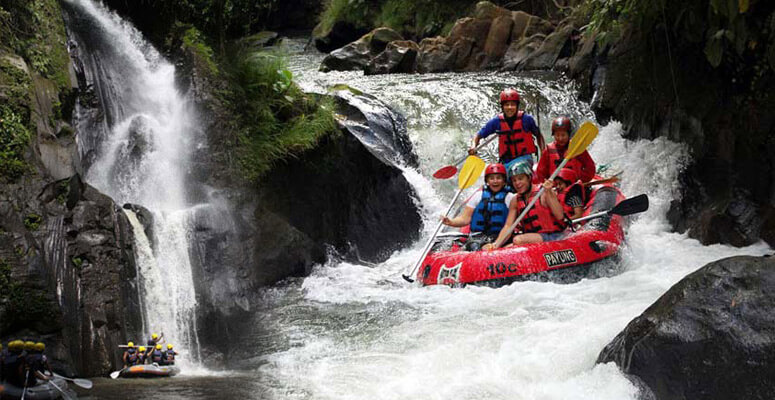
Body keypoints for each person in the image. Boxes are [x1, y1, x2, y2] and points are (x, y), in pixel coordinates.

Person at [487, 159, 566, 248]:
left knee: (518, 240)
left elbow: (560, 215)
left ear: (529, 178)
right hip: (533, 239)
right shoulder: (515, 200)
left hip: (555, 236)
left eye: (520, 178)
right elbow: (508, 226)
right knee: (505, 248)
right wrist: (496, 244)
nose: (517, 183)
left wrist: (549, 192)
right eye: (514, 180)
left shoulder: (543, 192)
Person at [440, 163, 514, 250]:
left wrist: (496, 244)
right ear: (487, 181)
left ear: (504, 181)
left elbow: (510, 225)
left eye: (498, 178)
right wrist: (451, 222)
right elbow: (465, 219)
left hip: (499, 236)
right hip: (478, 237)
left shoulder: (510, 198)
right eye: (491, 178)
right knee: (474, 246)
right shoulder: (478, 196)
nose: (495, 181)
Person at [469, 88, 546, 169]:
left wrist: (543, 155)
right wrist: (473, 146)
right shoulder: (496, 121)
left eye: (513, 104)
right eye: (507, 105)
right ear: (502, 107)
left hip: (524, 159)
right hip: (506, 161)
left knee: (517, 169)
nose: (510, 107)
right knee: (495, 177)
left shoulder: (526, 119)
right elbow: (478, 136)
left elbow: (539, 136)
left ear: (517, 106)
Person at [535, 116, 595, 183]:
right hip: (555, 188)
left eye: (563, 135)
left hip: (573, 186)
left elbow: (590, 168)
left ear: (568, 134)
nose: (560, 138)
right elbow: (540, 172)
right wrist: (547, 184)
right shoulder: (548, 150)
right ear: (553, 135)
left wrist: (581, 180)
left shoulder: (577, 148)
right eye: (557, 135)